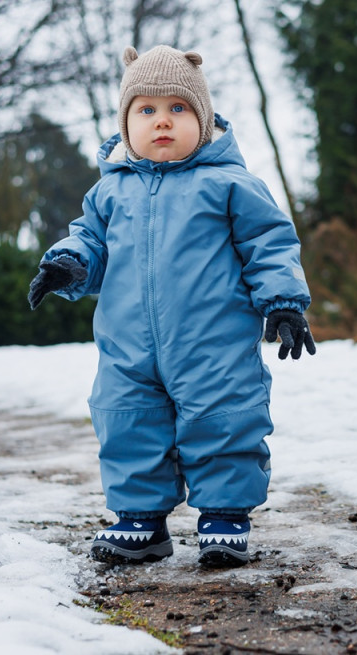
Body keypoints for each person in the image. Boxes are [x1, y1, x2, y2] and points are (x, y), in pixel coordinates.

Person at [28, 45, 316, 568]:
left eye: (177, 109)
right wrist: (67, 263)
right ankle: (140, 521)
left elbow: (270, 243)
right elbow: (88, 240)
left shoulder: (229, 184)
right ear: (127, 123)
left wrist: (284, 303)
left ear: (202, 121)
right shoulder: (108, 192)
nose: (162, 121)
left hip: (214, 343)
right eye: (147, 110)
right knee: (128, 422)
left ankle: (225, 517)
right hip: (128, 345)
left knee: (223, 420)